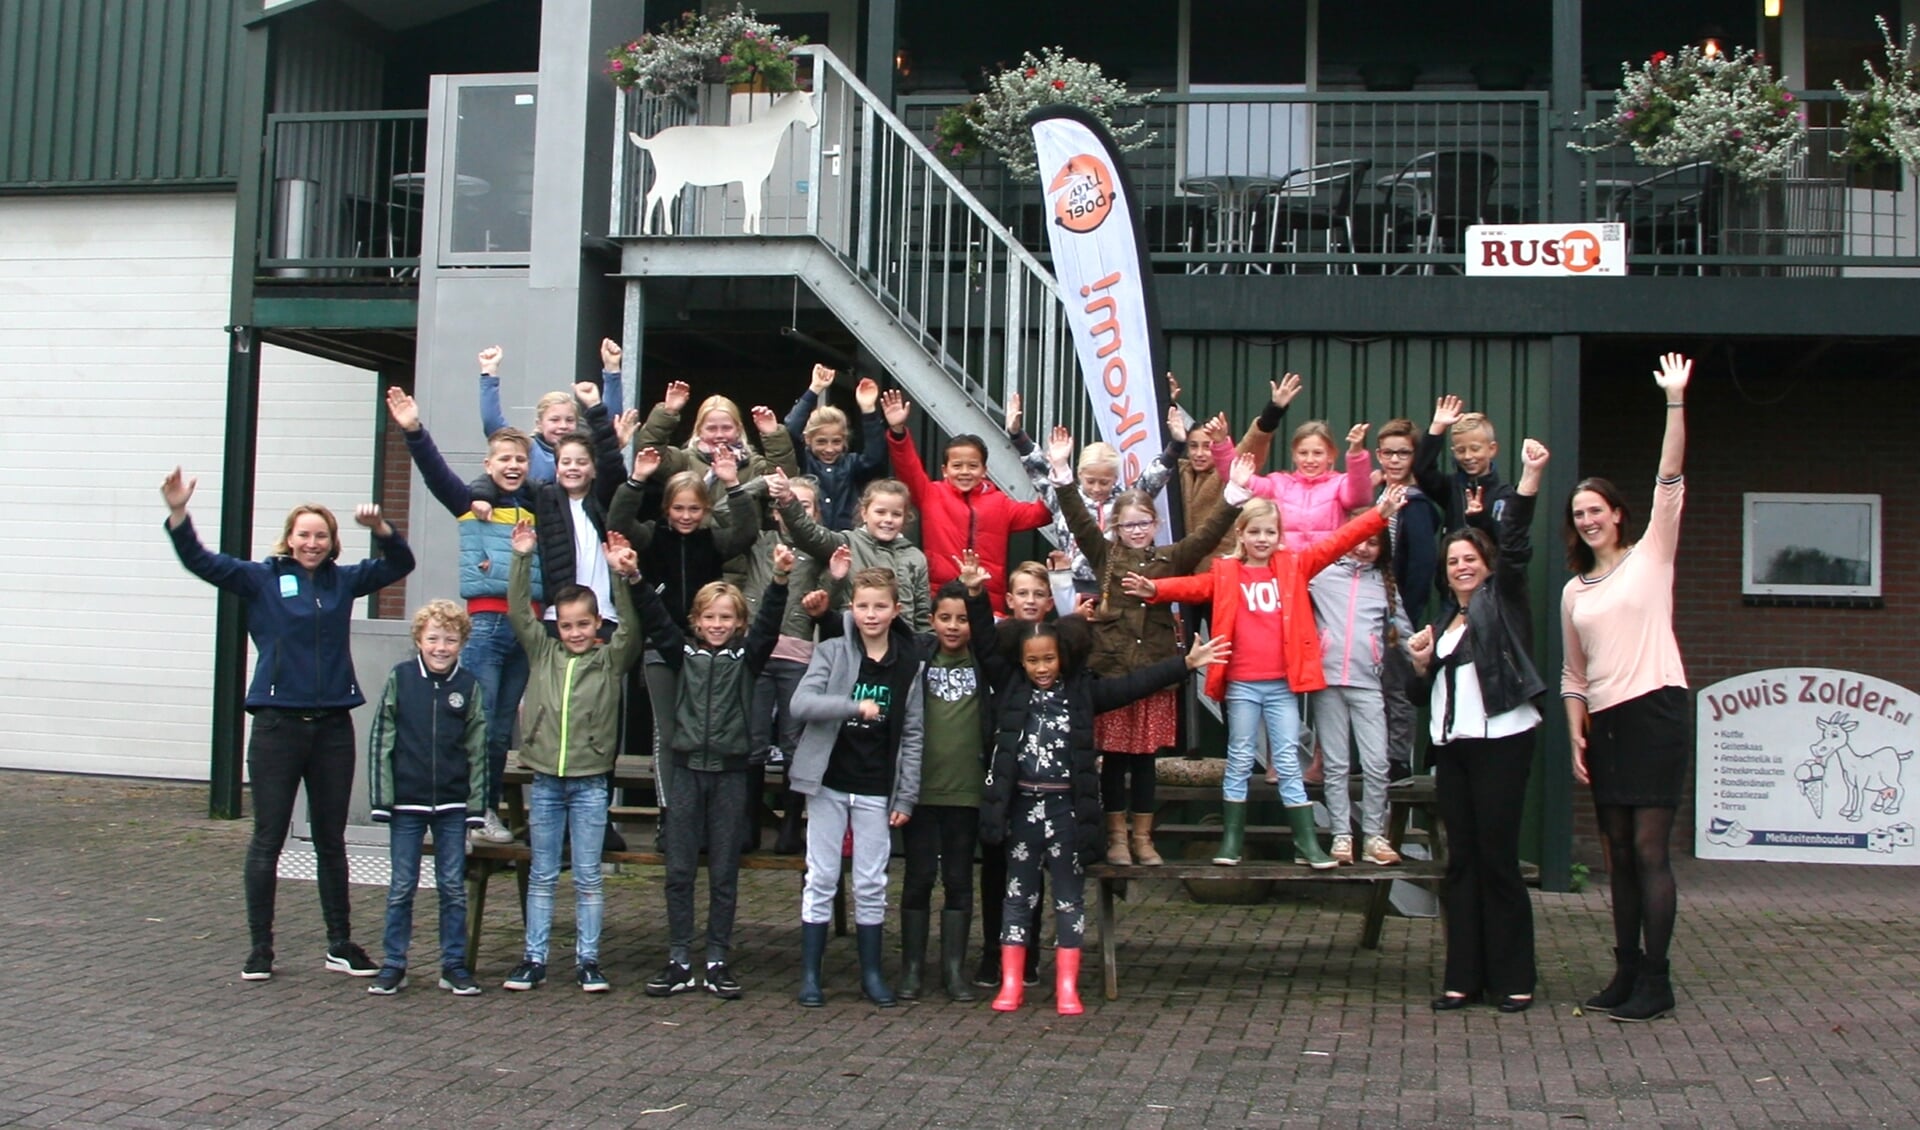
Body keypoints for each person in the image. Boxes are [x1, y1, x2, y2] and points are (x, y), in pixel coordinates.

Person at [161, 468, 415, 981]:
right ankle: (261, 948)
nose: (312, 543)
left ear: (332, 541)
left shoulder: (343, 581)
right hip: (278, 726)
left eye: (321, 536)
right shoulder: (262, 578)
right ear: (289, 538)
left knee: (330, 838)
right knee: (268, 837)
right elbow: (201, 562)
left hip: (332, 728)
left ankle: (340, 943)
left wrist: (384, 528)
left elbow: (400, 564)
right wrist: (179, 513)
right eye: (304, 535)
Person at [1126, 471, 1406, 867]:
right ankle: (1231, 842)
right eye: (1254, 531)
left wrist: (1379, 514)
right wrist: (1156, 590)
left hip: (1281, 686)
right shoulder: (1227, 573)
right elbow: (1194, 586)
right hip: (1242, 683)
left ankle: (1307, 844)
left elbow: (1337, 542)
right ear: (1241, 534)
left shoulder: (1294, 567)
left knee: (1289, 760)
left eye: (1270, 532)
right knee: (1240, 757)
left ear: (1279, 536)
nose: (1262, 539)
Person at [977, 613, 1229, 1014]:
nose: (1042, 668)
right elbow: (986, 647)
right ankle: (1011, 982)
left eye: (1049, 659)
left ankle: (1067, 985)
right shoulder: (1010, 688)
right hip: (1022, 809)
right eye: (1033, 661)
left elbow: (1131, 686)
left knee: (1069, 899)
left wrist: (1183, 664)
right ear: (1021, 662)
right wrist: (975, 596)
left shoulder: (1081, 693)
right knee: (1016, 897)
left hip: (1067, 812)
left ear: (1063, 657)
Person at [1562, 351, 1694, 1024]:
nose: (1588, 520)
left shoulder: (1652, 556)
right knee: (1616, 852)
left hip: (1657, 711)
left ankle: (1658, 978)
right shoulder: (1572, 591)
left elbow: (1669, 478)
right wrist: (1575, 735)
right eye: (1579, 513)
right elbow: (1573, 677)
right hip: (1606, 723)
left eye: (1597, 510)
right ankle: (1623, 971)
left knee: (1648, 849)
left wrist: (1674, 400)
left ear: (1617, 514)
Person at [1049, 426, 1243, 866]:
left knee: (1145, 764)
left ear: (1155, 525)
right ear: (1116, 526)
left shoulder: (1171, 557)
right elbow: (1079, 521)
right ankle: (1116, 837)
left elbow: (1208, 536)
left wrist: (1233, 495)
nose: (1137, 531)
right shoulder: (1104, 555)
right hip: (1116, 673)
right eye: (1128, 524)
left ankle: (1143, 837)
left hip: (1155, 672)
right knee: (1115, 762)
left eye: (1144, 523)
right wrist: (1060, 473)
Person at [1407, 437, 1550, 1014]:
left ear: (1485, 566)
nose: (1461, 566)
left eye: (1470, 559)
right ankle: (1462, 977)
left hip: (1503, 742)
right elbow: (1423, 694)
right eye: (1453, 562)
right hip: (1454, 748)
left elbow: (1514, 545)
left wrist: (1530, 479)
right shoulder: (1443, 621)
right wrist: (1418, 662)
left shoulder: (1504, 599)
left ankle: (1513, 977)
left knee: (1497, 860)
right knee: (1460, 863)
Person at [631, 543, 791, 1000]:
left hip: (730, 776)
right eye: (709, 618)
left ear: (738, 623)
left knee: (724, 872)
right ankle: (679, 958)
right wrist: (635, 578)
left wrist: (779, 579)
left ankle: (718, 958)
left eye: (727, 618)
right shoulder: (684, 654)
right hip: (685, 773)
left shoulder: (748, 657)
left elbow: (768, 628)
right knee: (679, 870)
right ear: (696, 622)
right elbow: (656, 618)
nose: (718, 625)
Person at [501, 520, 642, 993]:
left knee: (587, 877)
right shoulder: (543, 652)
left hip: (590, 782)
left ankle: (588, 960)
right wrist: (522, 557)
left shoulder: (609, 660)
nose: (576, 632)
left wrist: (619, 575)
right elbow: (519, 611)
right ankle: (533, 958)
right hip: (545, 779)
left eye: (584, 624)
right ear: (556, 626)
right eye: (567, 625)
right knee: (542, 873)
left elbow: (633, 629)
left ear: (597, 623)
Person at [788, 567, 927, 1008]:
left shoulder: (909, 662)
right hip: (828, 781)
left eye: (880, 606)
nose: (871, 614)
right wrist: (852, 706)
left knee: (871, 881)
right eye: (863, 606)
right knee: (823, 876)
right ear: (852, 608)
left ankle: (871, 972)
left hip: (875, 786)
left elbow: (913, 733)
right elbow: (801, 704)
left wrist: (905, 794)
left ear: (895, 610)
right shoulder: (831, 651)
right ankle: (811, 973)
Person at [364, 600, 488, 996]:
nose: (441, 647)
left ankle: (453, 965)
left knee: (452, 886)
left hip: (451, 804)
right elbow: (381, 738)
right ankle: (394, 963)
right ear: (419, 639)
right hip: (406, 802)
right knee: (402, 885)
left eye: (450, 640)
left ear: (462, 643)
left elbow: (478, 748)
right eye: (433, 638)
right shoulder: (401, 679)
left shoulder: (468, 686)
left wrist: (475, 807)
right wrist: (382, 799)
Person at [897, 567, 996, 1001]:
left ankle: (954, 969)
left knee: (958, 879)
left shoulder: (985, 662)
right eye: (945, 618)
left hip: (967, 792)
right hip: (919, 791)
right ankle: (913, 968)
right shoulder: (917, 655)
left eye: (962, 618)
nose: (954, 627)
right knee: (918, 877)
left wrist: (979, 598)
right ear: (931, 620)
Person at [882, 389, 1054, 615]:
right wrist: (898, 431)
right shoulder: (931, 493)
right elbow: (908, 467)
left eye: (973, 466)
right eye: (957, 466)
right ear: (944, 470)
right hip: (940, 599)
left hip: (988, 603)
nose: (965, 472)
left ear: (985, 470)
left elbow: (1046, 511)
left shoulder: (1001, 504)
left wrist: (1054, 469)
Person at [1308, 510, 1412, 865]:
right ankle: (1341, 836)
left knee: (1377, 762)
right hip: (1328, 682)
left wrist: (1426, 652)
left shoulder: (1384, 585)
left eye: (1373, 543)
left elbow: (1406, 633)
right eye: (1360, 539)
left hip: (1368, 684)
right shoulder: (1321, 577)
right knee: (1336, 764)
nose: (1364, 548)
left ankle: (1374, 837)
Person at [1005, 391, 1177, 595]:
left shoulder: (1126, 500)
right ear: (1079, 474)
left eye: (1104, 482)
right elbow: (1039, 468)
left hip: (1119, 584)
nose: (1096, 488)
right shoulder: (1064, 498)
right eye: (1090, 481)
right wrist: (1016, 434)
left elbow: (1154, 478)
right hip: (1075, 585)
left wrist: (1176, 445)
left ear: (1115, 478)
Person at [770, 470, 931, 633]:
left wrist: (922, 651)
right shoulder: (846, 544)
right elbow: (809, 533)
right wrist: (787, 500)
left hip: (901, 647)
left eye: (896, 514)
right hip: (853, 641)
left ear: (905, 518)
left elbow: (922, 616)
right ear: (864, 513)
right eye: (880, 512)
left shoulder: (915, 557)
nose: (888, 519)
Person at [1374, 418, 1442, 783]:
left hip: (1398, 606)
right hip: (1373, 601)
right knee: (1378, 682)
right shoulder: (1378, 496)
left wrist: (1407, 611)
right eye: (1389, 453)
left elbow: (1421, 566)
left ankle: (1398, 757)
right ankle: (1378, 754)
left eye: (1404, 453)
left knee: (1399, 684)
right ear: (1378, 455)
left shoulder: (1415, 505)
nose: (1396, 460)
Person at [1210, 414, 1374, 555]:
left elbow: (1360, 497)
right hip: (1287, 571)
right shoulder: (1278, 483)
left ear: (1331, 456)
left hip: (1328, 572)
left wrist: (1356, 453)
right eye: (1303, 453)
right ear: (1294, 456)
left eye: (1317, 453)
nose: (1310, 460)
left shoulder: (1339, 484)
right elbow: (1239, 478)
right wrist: (1221, 443)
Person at [476, 340, 627, 484]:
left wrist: (612, 369)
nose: (562, 426)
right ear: (539, 424)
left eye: (569, 420)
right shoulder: (528, 449)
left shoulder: (586, 450)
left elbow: (610, 427)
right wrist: (489, 373)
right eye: (554, 420)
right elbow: (492, 423)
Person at [784, 365, 890, 530]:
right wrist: (814, 389)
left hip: (846, 540)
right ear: (808, 440)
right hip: (810, 539)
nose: (829, 449)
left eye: (836, 441)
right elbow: (790, 430)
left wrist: (868, 410)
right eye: (821, 442)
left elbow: (874, 457)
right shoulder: (803, 460)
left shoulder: (852, 464)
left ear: (845, 440)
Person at [633, 379, 801, 484]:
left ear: (738, 430)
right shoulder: (684, 461)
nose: (719, 434)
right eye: (711, 428)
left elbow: (785, 478)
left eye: (726, 428)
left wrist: (773, 434)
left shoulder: (752, 464)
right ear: (699, 431)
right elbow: (649, 453)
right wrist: (667, 412)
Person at [1414, 395, 1519, 536]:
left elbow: (1505, 538)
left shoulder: (1505, 495)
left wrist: (1478, 519)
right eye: (1461, 450)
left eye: (1475, 449)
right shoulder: (1451, 488)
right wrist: (1436, 429)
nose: (1468, 456)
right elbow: (1422, 471)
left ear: (1492, 449)